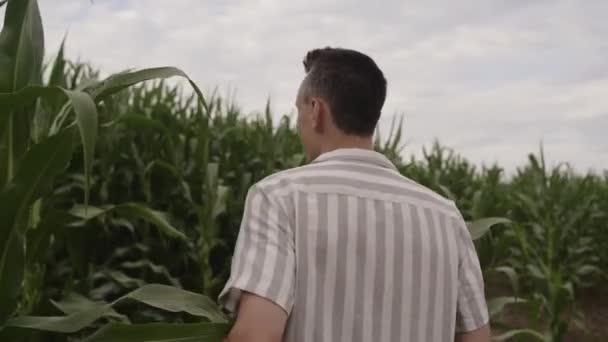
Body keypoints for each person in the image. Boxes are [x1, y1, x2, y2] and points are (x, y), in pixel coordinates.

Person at [219, 47, 491, 342]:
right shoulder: (446, 217)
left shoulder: (279, 198)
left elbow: (256, 336)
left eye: (298, 112)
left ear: (316, 112)